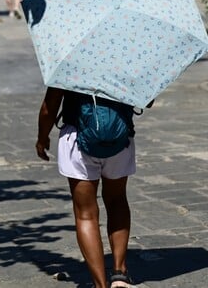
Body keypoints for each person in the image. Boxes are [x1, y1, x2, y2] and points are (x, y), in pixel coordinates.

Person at [37, 88, 136, 288]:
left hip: (77, 136)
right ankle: (120, 272)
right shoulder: (126, 57)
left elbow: (51, 103)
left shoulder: (69, 59)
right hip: (119, 135)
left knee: (86, 214)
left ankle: (100, 285)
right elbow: (146, 99)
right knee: (117, 200)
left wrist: (42, 137)